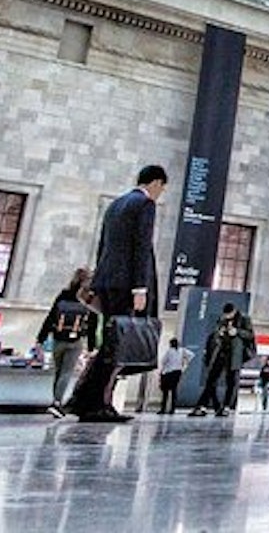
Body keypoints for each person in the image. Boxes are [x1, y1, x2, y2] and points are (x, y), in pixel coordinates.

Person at [67, 164, 167, 423]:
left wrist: (98, 281)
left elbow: (103, 246)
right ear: (156, 183)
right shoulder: (145, 205)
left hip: (108, 281)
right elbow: (141, 247)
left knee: (111, 343)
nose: (160, 194)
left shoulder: (116, 204)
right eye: (162, 188)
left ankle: (85, 400)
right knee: (118, 346)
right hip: (126, 285)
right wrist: (140, 288)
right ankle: (97, 403)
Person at [35, 266, 93, 418]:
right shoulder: (88, 297)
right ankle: (57, 403)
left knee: (59, 371)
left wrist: (41, 338)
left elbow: (51, 316)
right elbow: (92, 322)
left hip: (58, 338)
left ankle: (56, 401)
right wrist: (91, 344)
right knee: (67, 372)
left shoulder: (64, 295)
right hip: (76, 340)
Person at [190, 302, 255, 417]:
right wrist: (220, 333)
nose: (227, 317)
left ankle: (227, 407)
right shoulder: (222, 318)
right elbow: (216, 331)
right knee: (211, 379)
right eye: (225, 315)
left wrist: (237, 331)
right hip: (221, 352)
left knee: (231, 381)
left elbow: (250, 335)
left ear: (234, 312)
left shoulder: (244, 318)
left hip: (235, 354)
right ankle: (202, 406)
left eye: (229, 315)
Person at [159, 337, 192, 414]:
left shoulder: (169, 351)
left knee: (165, 392)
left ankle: (163, 409)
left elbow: (163, 361)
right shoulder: (182, 350)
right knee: (174, 391)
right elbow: (191, 355)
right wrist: (184, 364)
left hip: (168, 372)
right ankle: (172, 409)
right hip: (177, 372)